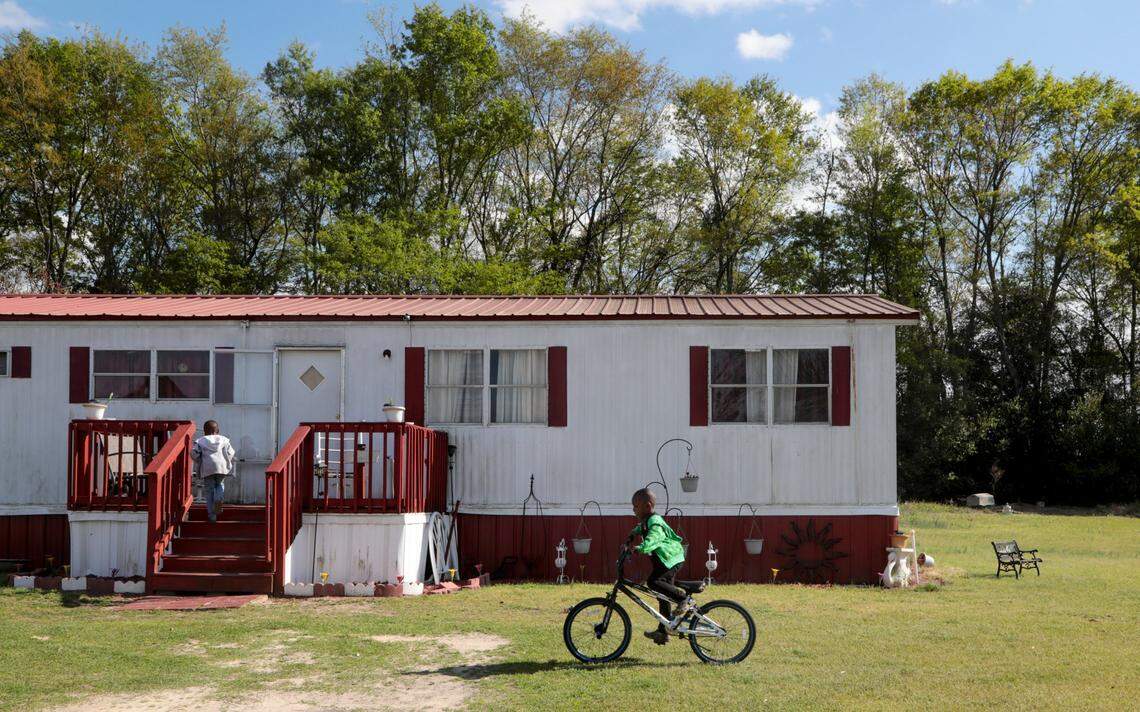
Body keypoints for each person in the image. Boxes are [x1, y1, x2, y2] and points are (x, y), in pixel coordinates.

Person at [629, 487, 687, 645]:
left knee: (654, 582)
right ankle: (663, 632)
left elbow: (654, 537)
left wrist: (641, 547)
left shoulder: (655, 522)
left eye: (636, 506)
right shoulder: (647, 521)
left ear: (647, 506)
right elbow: (641, 528)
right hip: (666, 560)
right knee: (662, 595)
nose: (633, 509)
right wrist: (633, 534)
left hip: (671, 559)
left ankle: (683, 599)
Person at [191, 420, 235, 523]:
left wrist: (199, 460)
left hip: (208, 467)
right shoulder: (224, 440)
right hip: (221, 467)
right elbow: (231, 452)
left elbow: (194, 453)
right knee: (220, 484)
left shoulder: (201, 440)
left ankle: (212, 516)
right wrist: (226, 460)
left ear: (204, 431)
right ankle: (218, 498)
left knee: (209, 490)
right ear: (217, 430)